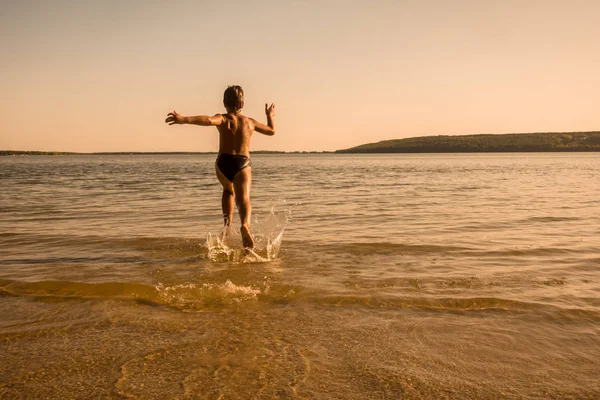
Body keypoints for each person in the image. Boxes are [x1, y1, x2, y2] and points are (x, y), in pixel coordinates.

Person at [165, 85, 276, 249]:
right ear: (243, 104)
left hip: (223, 162)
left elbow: (209, 120)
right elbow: (271, 131)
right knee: (243, 198)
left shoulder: (223, 118)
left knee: (228, 190)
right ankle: (245, 225)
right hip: (242, 162)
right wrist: (270, 115)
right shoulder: (250, 122)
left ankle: (227, 225)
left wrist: (184, 119)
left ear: (224, 103)